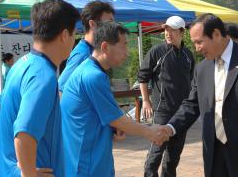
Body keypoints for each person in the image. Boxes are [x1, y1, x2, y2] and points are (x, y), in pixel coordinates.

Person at [162, 13, 238, 177]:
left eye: (199, 42)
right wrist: (169, 128)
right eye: (194, 43)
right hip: (214, 154)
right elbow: (191, 105)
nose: (197, 48)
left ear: (216, 34)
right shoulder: (202, 69)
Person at [60, 21, 169, 177]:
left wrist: (113, 128)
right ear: (105, 47)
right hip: (86, 166)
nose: (127, 51)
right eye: (123, 45)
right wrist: (150, 132)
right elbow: (117, 120)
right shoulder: (93, 76)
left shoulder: (92, 71)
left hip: (91, 159)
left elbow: (106, 117)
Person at [0, 0, 80, 176]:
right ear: (64, 35)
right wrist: (29, 173)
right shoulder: (43, 76)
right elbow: (24, 133)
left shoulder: (23, 64)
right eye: (74, 35)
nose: (74, 41)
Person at [138, 15, 195, 177]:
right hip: (162, 111)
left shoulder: (188, 55)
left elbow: (191, 82)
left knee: (174, 156)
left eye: (173, 30)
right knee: (156, 152)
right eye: (166, 29)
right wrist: (146, 101)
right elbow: (143, 77)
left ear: (182, 32)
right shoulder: (157, 51)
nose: (168, 33)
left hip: (182, 114)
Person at [58, 0, 115, 94]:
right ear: (92, 24)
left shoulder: (94, 51)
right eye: (109, 23)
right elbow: (61, 90)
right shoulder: (83, 55)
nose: (113, 27)